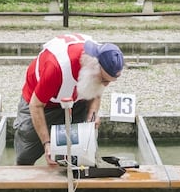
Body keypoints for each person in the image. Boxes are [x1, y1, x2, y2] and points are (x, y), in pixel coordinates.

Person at [13, 33, 124, 165]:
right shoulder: (56, 67)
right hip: (41, 102)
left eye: (110, 82)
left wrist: (93, 114)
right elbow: (35, 105)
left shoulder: (100, 59)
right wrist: (47, 143)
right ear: (92, 67)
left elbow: (97, 90)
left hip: (75, 100)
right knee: (26, 153)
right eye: (104, 80)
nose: (105, 85)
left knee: (82, 152)